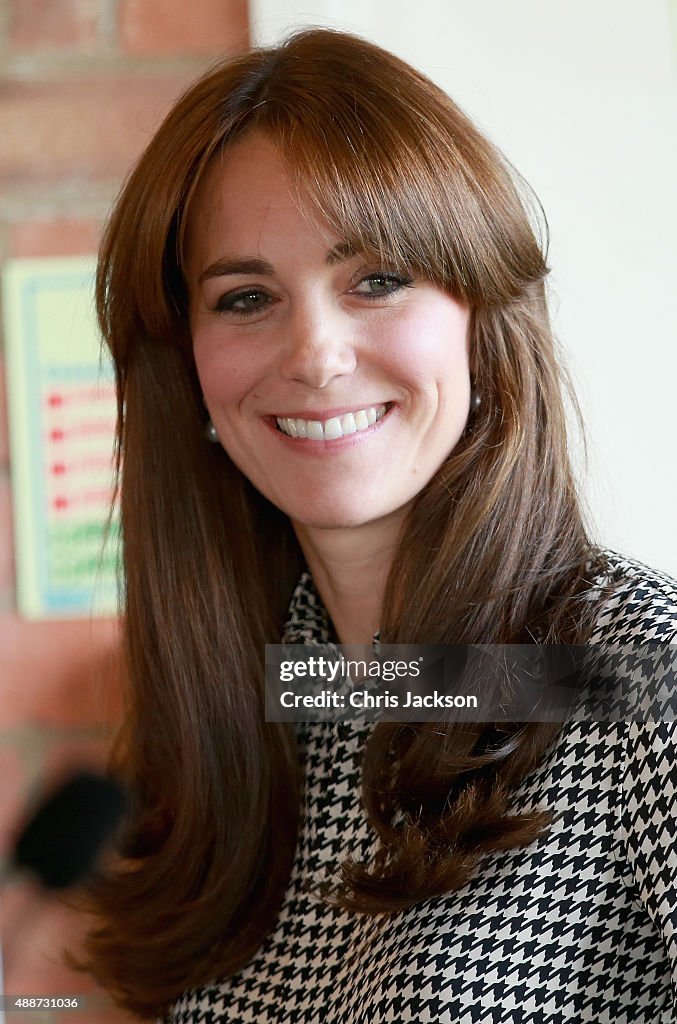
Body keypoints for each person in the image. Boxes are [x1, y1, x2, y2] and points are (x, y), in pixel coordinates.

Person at [83, 27, 677, 1023]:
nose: (315, 353)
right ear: (185, 367)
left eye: (377, 279)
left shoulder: (634, 680)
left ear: (479, 315)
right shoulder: (265, 696)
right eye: (244, 297)